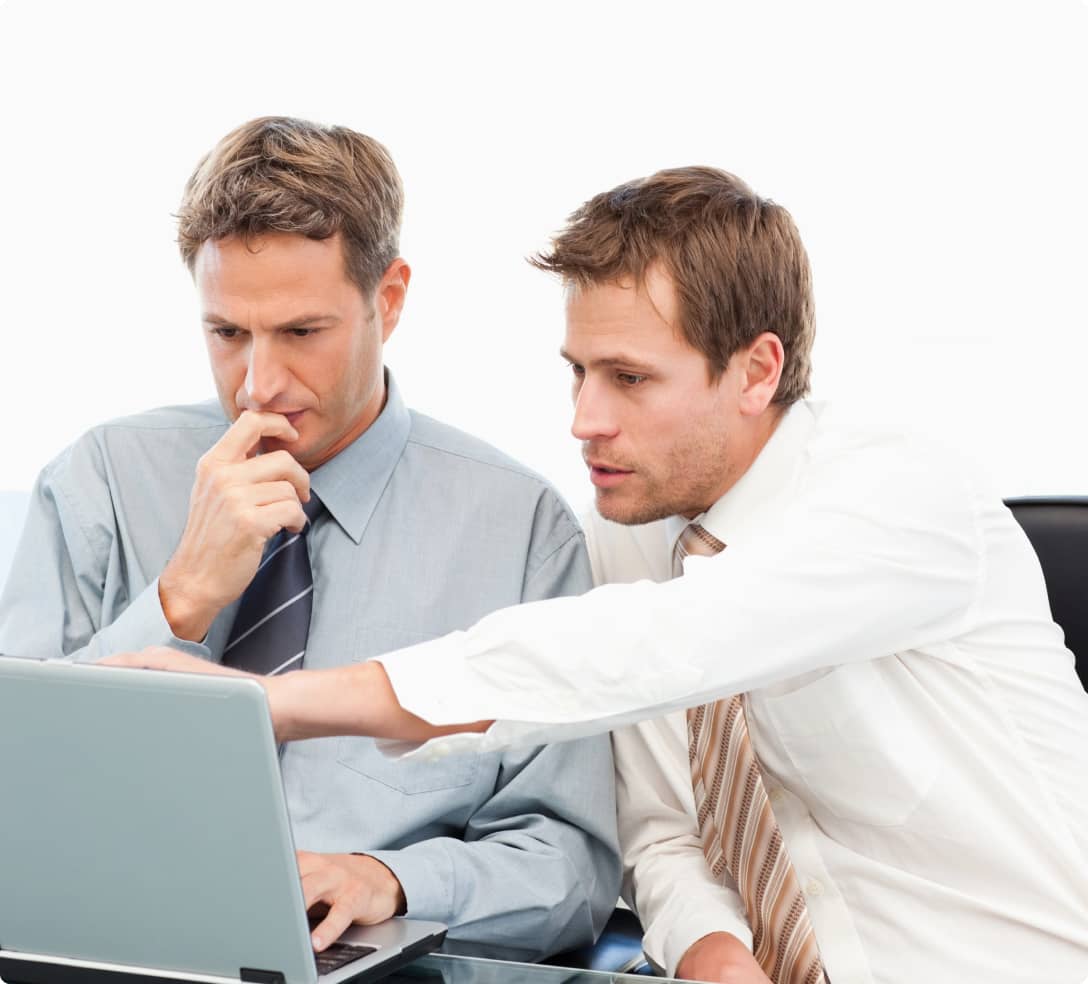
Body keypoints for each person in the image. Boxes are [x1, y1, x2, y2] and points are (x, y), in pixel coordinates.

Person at [103, 167, 1088, 983]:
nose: (584, 421)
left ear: (755, 371)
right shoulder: (631, 532)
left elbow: (662, 646)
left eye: (628, 379)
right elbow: (659, 825)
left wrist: (275, 705)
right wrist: (709, 946)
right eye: (576, 372)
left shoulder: (902, 496)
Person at [0, 116, 622, 961]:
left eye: (301, 333)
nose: (258, 383)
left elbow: (569, 868)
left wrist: (391, 878)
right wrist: (181, 597)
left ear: (388, 300)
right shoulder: (102, 480)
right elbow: (16, 794)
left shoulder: (520, 529)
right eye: (226, 334)